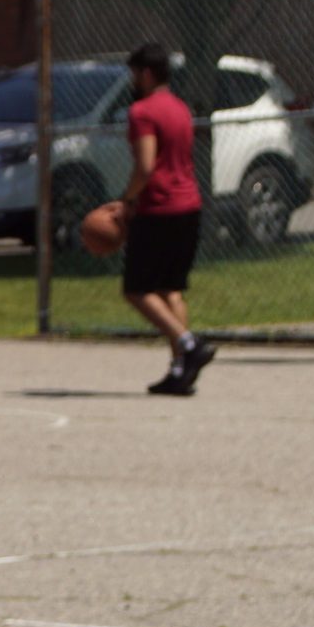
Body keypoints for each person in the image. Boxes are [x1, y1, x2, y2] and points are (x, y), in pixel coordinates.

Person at [116, 43, 215, 397]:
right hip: (189, 205)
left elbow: (145, 165)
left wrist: (128, 200)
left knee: (136, 289)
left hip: (159, 208)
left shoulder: (142, 111)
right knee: (170, 290)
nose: (132, 81)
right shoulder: (180, 108)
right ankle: (180, 371)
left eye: (134, 74)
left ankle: (189, 344)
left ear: (145, 74)